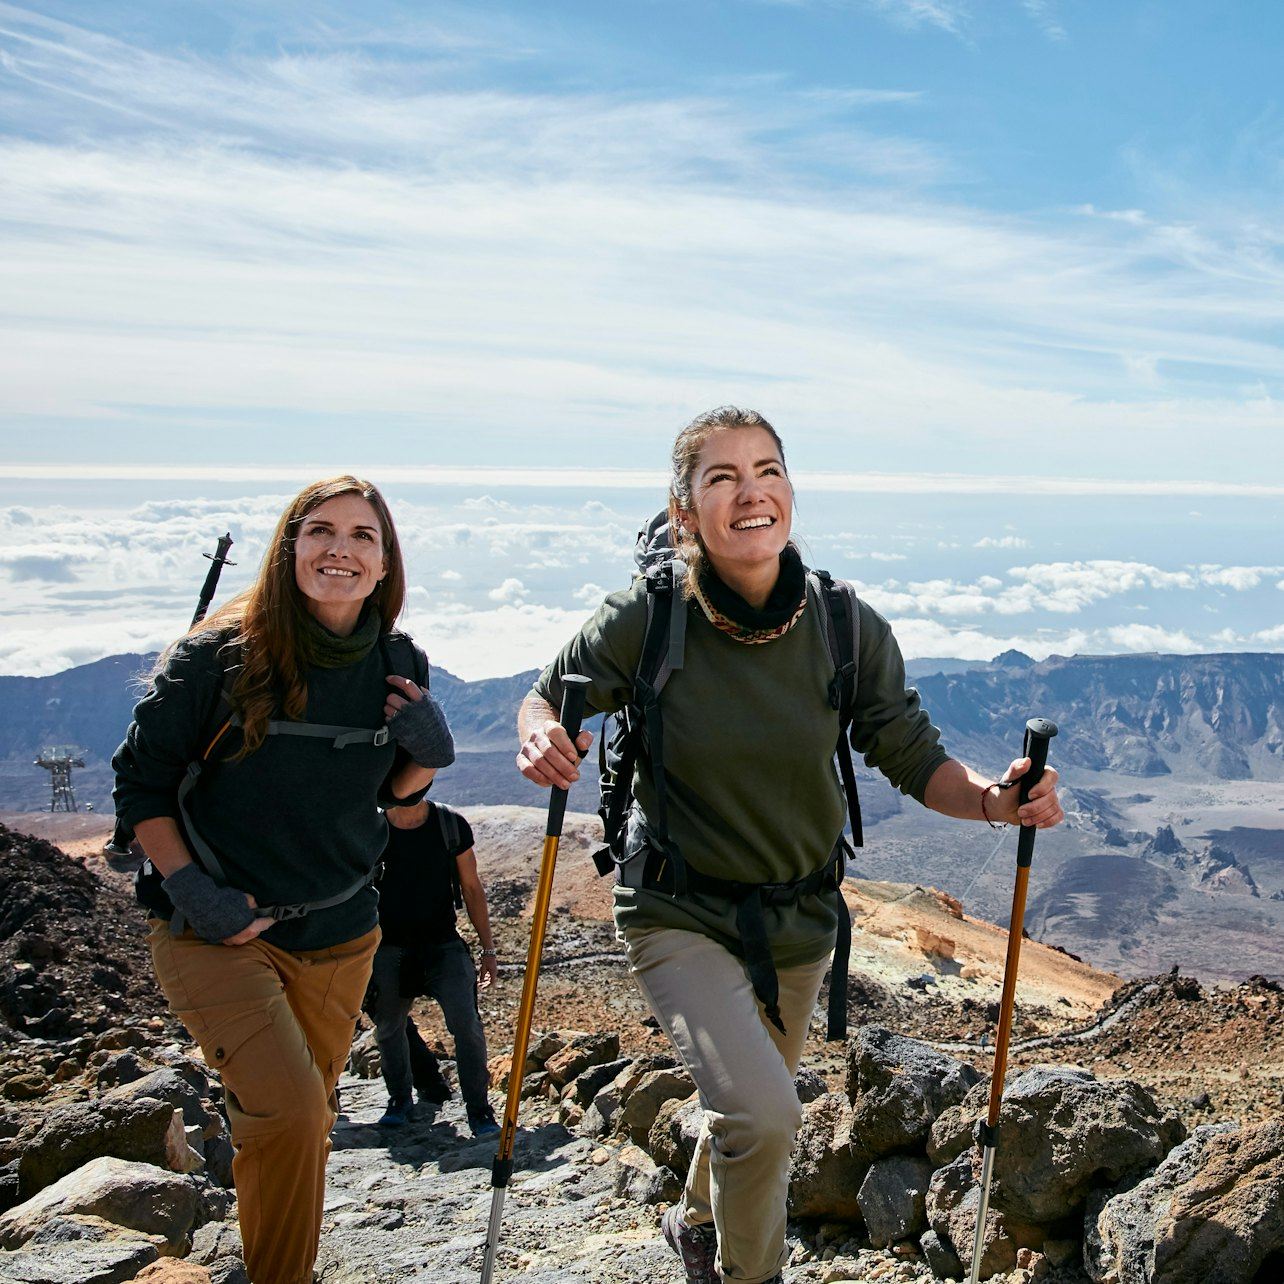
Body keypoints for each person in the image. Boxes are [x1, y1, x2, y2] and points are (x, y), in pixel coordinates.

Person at [515, 407, 1063, 1284]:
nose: (750, 492)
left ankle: (698, 1221)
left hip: (802, 921)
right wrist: (541, 734)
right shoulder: (646, 619)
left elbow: (914, 758)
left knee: (749, 1105)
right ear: (686, 510)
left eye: (766, 470)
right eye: (721, 477)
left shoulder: (844, 625)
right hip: (675, 909)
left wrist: (1001, 802)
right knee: (768, 1116)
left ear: (791, 492)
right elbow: (546, 697)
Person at [113, 475, 456, 1284]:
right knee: (295, 1114)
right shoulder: (216, 659)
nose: (341, 548)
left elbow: (389, 799)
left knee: (293, 1125)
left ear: (384, 563)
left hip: (340, 934)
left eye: (363, 536)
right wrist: (191, 886)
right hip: (217, 931)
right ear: (289, 548)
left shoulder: (398, 661)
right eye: (322, 531)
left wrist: (423, 762)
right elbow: (140, 786)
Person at [368, 799, 500, 1135]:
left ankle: (479, 1109)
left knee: (466, 1024)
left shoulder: (450, 827)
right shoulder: (370, 830)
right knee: (388, 1026)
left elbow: (471, 888)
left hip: (442, 944)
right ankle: (399, 1099)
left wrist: (488, 950)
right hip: (388, 946)